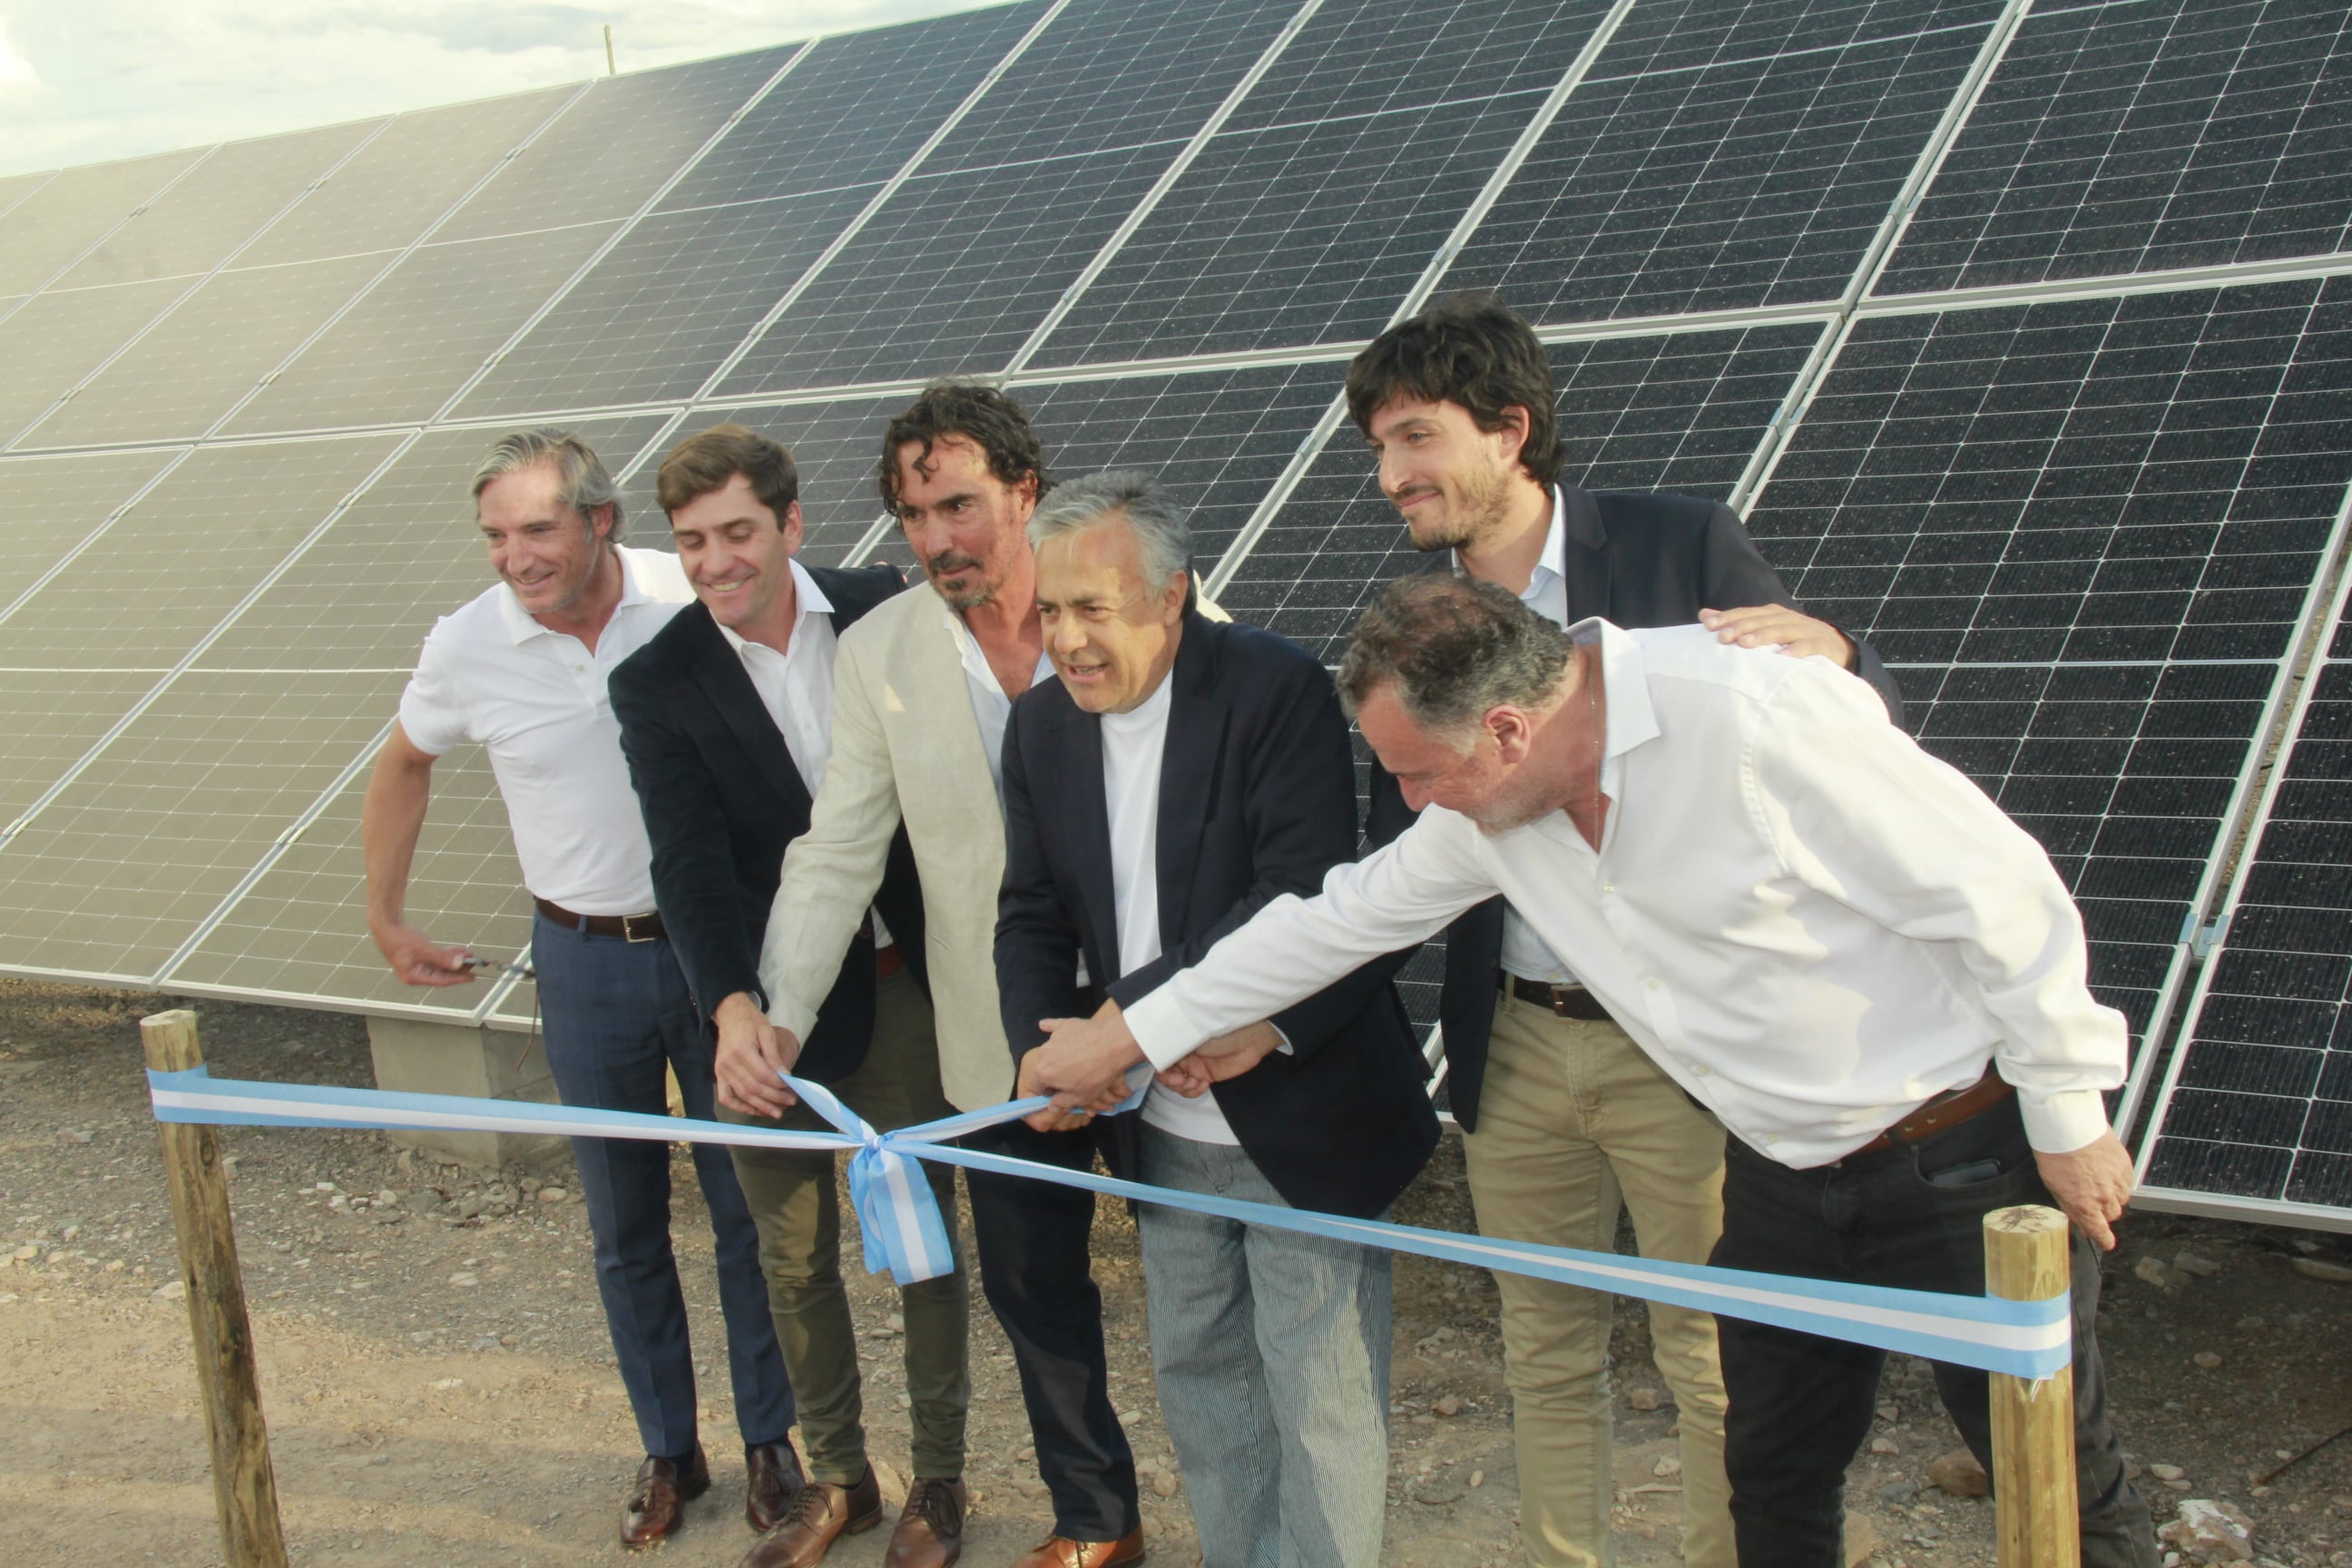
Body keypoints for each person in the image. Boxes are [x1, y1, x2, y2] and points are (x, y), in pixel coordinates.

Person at [1026, 573, 2160, 1568]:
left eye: (1421, 777)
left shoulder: (1761, 717)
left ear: (1510, 730)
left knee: (2051, 1467)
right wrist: (1126, 1033)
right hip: (1778, 1175)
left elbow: (2005, 897)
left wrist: (2068, 1112)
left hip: (1960, 1161)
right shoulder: (1492, 808)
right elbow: (1333, 922)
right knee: (1770, 1477)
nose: (1413, 805)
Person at [1348, 290, 1905, 1568]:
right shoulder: (1413, 629)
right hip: (1517, 1048)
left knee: (1712, 1352)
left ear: (1511, 430)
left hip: (1680, 1046)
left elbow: (1829, 722)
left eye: (1416, 439)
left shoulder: (1677, 548)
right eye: (1379, 449)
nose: (1392, 477)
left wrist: (1842, 653)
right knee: (1542, 1351)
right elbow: (1403, 859)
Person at [729, 384, 1147, 1568]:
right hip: (995, 1039)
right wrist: (779, 1011)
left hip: (1162, 1023)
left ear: (1024, 491)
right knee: (1037, 1298)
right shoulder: (881, 653)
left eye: (959, 504)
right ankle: (1096, 1523)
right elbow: (835, 854)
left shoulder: (1137, 590)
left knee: (1205, 1287)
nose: (938, 539)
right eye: (915, 515)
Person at [361, 427, 797, 1550]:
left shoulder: (691, 593)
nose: (515, 557)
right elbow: (404, 761)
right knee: (624, 1222)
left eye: (538, 529)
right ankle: (669, 1451)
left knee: (751, 1211)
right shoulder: (469, 645)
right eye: (497, 536)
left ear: (600, 520)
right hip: (581, 961)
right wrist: (386, 915)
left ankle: (772, 1444)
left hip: (719, 962)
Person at [996, 472, 1438, 1568]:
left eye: (1093, 609)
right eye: (1050, 611)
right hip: (1156, 1131)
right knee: (1201, 1385)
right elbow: (1032, 913)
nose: (1068, 640)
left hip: (1297, 1110)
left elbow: (1297, 893)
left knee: (1322, 1402)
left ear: (1172, 597)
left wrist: (1128, 1027)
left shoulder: (1273, 688)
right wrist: (1049, 1053)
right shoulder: (1041, 728)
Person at [608, 423, 966, 1568]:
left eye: (737, 533)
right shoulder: (657, 681)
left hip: (904, 983)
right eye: (693, 541)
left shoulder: (885, 608)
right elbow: (688, 865)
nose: (716, 560)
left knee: (920, 1241)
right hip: (765, 1014)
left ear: (791, 526)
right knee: (794, 1256)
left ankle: (942, 1481)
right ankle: (841, 1480)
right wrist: (727, 1010)